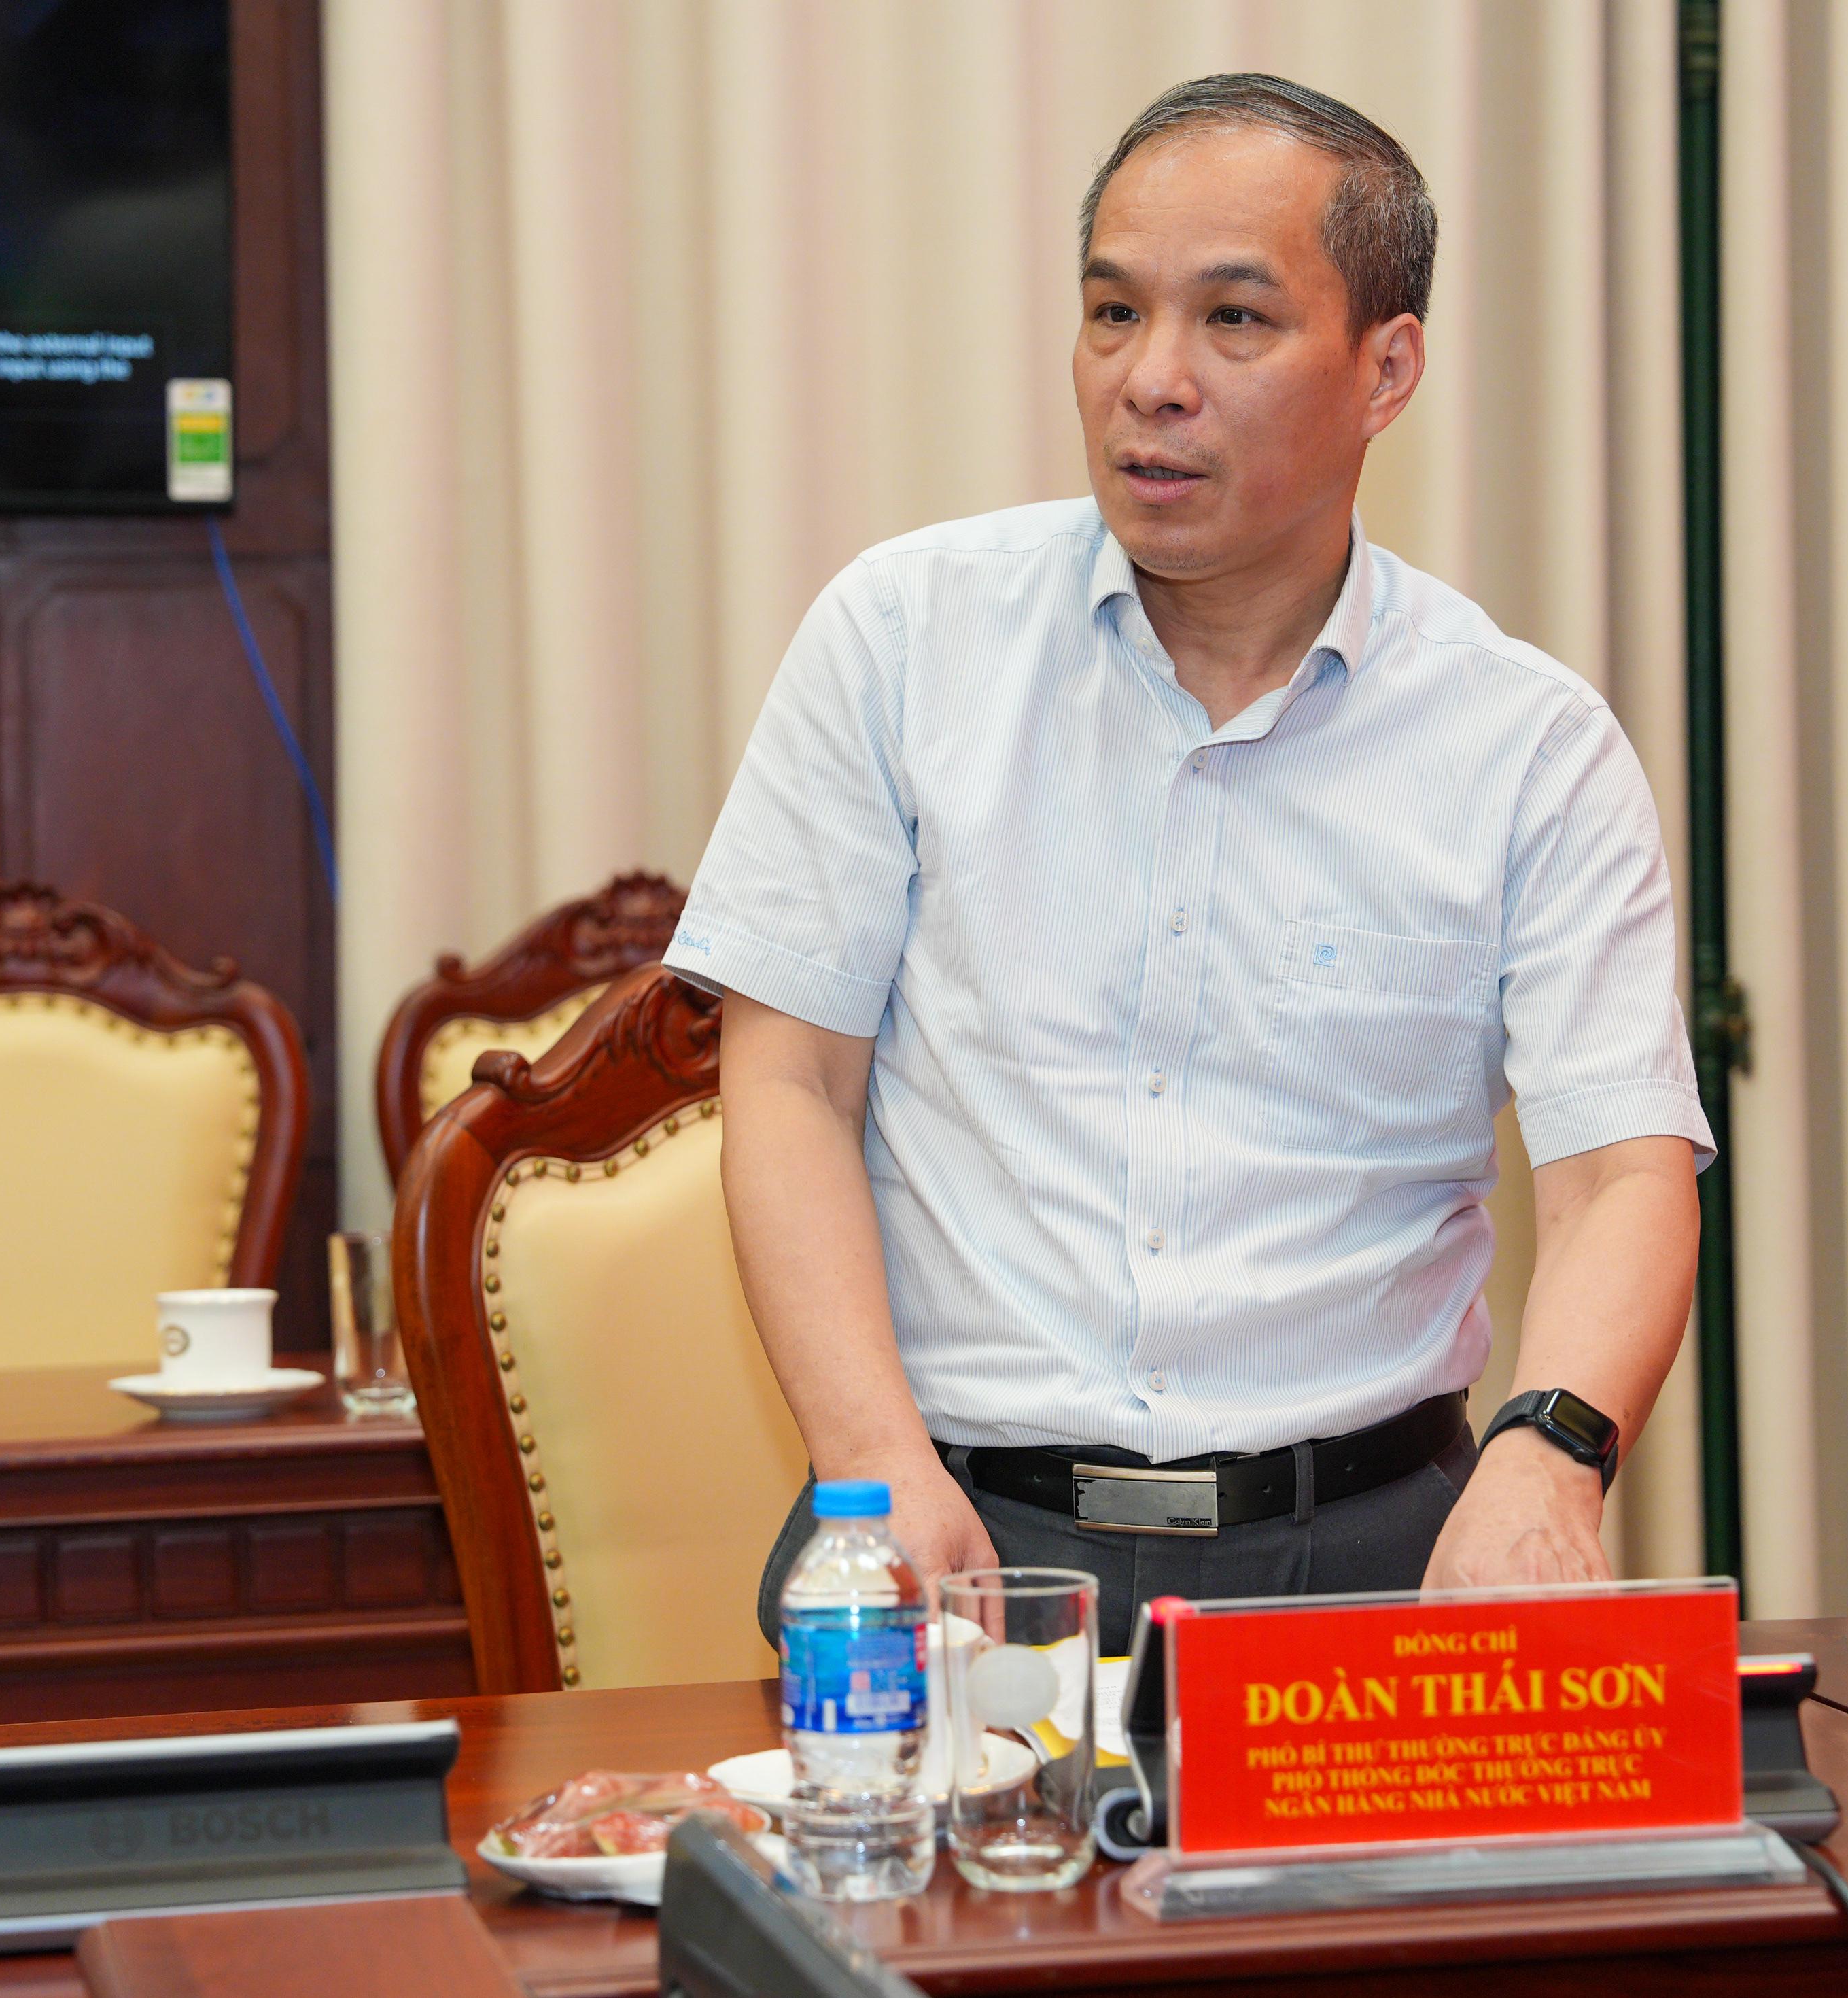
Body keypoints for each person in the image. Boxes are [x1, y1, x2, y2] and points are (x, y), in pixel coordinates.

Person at [663, 74, 1712, 1655]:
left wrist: (1548, 1454)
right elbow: (789, 1082)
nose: (1149, 381)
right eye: (1111, 313)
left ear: (1385, 368)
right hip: (958, 1535)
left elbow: (1620, 1174)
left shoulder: (1527, 747)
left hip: (1376, 1551)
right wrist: (871, 1466)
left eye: (1232, 320)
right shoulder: (902, 641)